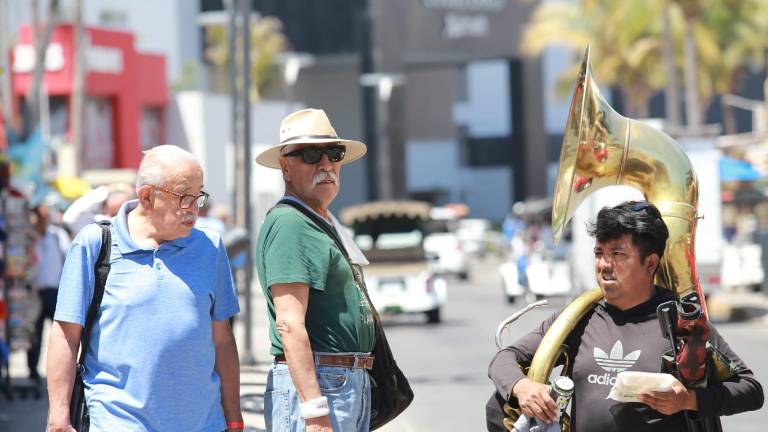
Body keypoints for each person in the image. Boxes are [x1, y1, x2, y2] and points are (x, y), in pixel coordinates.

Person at [488, 200, 764, 432]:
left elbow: (751, 390)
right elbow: (505, 358)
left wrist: (688, 400)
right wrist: (521, 386)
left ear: (650, 263)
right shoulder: (578, 317)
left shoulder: (681, 321)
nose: (604, 265)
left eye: (618, 254)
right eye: (599, 253)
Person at [46, 145, 243, 432]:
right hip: (118, 421)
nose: (194, 208)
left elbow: (222, 340)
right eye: (184, 196)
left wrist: (234, 418)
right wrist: (59, 417)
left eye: (198, 195)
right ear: (147, 197)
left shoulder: (210, 247)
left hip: (203, 424)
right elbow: (65, 334)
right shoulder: (95, 244)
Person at [255, 108, 375, 432]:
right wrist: (314, 410)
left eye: (333, 153)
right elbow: (290, 324)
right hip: (324, 385)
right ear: (285, 168)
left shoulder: (317, 220)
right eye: (310, 154)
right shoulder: (291, 223)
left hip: (341, 382)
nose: (326, 164)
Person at [27, 204, 71, 383]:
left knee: (62, 335)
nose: (42, 222)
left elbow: (69, 257)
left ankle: (63, 372)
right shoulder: (29, 238)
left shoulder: (57, 235)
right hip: (35, 292)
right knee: (34, 334)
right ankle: (33, 371)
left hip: (55, 291)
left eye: (44, 218)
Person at [62, 182, 134, 235]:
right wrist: (114, 187)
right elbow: (69, 217)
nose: (118, 200)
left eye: (124, 201)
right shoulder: (92, 219)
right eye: (116, 196)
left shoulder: (124, 223)